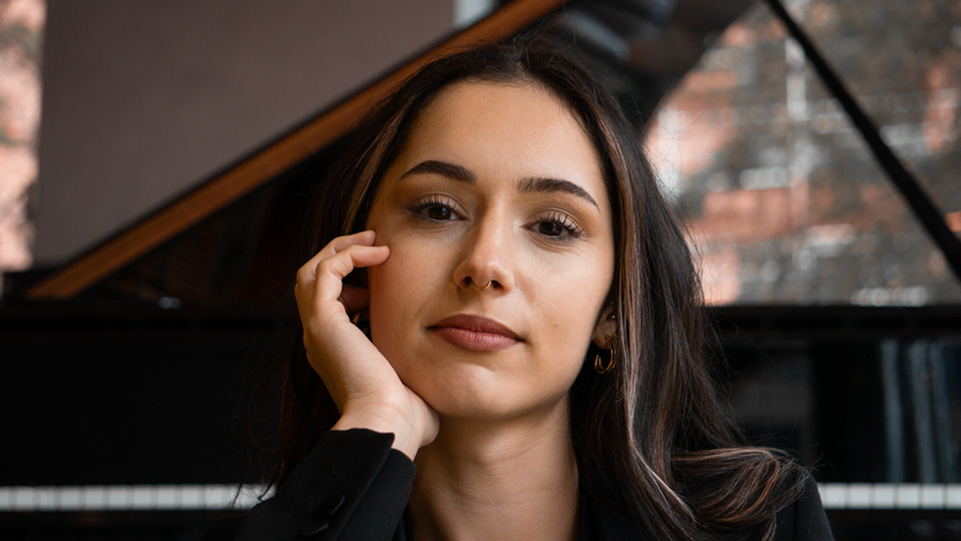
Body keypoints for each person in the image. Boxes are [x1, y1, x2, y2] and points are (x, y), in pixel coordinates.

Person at [205, 34, 833, 540]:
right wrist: (380, 420)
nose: (484, 264)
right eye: (437, 210)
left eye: (554, 226)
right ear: (358, 261)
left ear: (613, 310)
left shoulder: (767, 529)